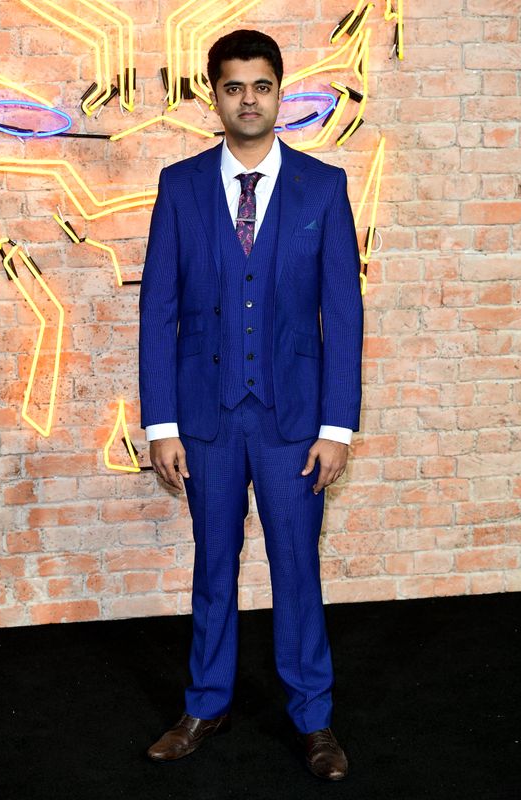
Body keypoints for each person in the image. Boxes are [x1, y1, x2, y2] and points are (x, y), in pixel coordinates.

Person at [138, 29, 363, 781]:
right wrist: (160, 422)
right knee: (212, 566)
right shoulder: (178, 184)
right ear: (214, 95)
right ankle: (205, 702)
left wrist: (337, 427)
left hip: (293, 418)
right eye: (233, 87)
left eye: (260, 86)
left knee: (296, 567)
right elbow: (158, 310)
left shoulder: (323, 187)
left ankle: (314, 720)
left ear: (279, 92)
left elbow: (343, 312)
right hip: (203, 416)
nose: (248, 100)